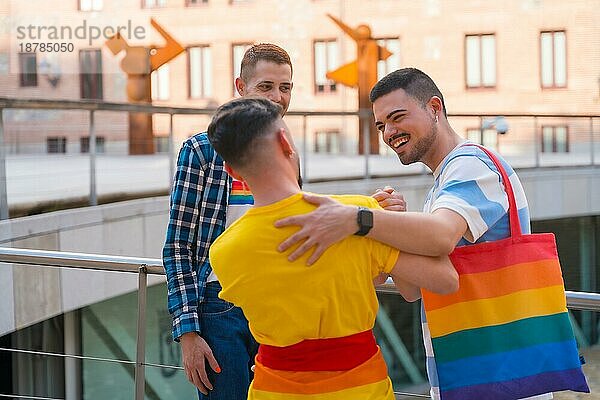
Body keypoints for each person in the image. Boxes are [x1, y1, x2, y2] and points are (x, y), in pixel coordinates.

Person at [274, 68, 550, 400]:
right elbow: (412, 290)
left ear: (435, 108)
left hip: (499, 372)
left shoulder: (471, 165)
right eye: (381, 125)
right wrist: (390, 223)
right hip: (469, 370)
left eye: (397, 117)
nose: (389, 132)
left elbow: (441, 237)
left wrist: (358, 219)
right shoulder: (443, 183)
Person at [205, 96, 458, 399]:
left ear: (232, 171)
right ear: (286, 142)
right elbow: (445, 280)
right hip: (360, 390)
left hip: (271, 390)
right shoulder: (354, 214)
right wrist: (385, 223)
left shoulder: (224, 251)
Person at [162, 43, 294, 399]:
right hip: (219, 308)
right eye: (266, 86)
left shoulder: (288, 152)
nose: (278, 98)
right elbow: (177, 246)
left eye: (285, 88)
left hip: (275, 305)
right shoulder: (203, 150)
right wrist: (188, 332)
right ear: (241, 87)